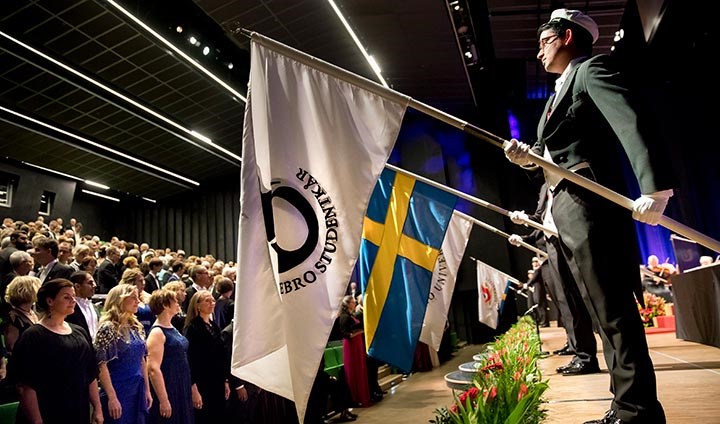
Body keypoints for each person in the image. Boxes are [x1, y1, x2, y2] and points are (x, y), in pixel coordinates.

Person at [504, 8, 671, 424]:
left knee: (615, 313)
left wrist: (655, 188)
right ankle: (626, 407)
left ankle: (638, 410)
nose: (538, 50)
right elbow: (555, 155)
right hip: (567, 207)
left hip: (590, 204)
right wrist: (528, 159)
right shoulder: (559, 92)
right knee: (601, 313)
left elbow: (631, 121)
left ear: (566, 38)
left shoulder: (590, 70)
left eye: (544, 41)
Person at [7, 278, 103, 424]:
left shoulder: (79, 331)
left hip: (77, 409)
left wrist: (97, 407)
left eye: (73, 296)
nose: (73, 300)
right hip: (48, 410)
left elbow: (90, 374)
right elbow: (26, 386)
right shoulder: (33, 336)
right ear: (50, 301)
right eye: (66, 297)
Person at [95, 283, 152, 424]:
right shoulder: (108, 328)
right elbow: (101, 365)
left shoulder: (136, 326)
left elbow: (142, 360)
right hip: (118, 389)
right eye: (133, 298)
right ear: (120, 300)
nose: (137, 301)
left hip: (136, 388)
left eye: (137, 297)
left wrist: (147, 390)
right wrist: (112, 398)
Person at [146, 289, 193, 424]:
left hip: (181, 382)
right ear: (165, 305)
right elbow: (153, 368)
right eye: (175, 301)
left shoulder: (171, 327)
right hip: (169, 385)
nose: (178, 303)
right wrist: (164, 399)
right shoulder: (157, 332)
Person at [184, 291, 229, 423]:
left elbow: (221, 354)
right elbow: (190, 360)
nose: (211, 303)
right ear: (197, 305)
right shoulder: (192, 328)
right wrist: (194, 388)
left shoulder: (214, 326)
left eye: (212, 300)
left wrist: (225, 380)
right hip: (202, 383)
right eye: (207, 301)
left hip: (217, 380)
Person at [338, 295, 370, 407]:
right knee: (354, 370)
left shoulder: (350, 315)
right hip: (351, 346)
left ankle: (361, 395)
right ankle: (355, 397)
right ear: (347, 304)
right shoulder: (344, 317)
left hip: (357, 344)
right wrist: (359, 332)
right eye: (352, 301)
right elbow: (345, 333)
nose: (355, 302)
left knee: (360, 369)